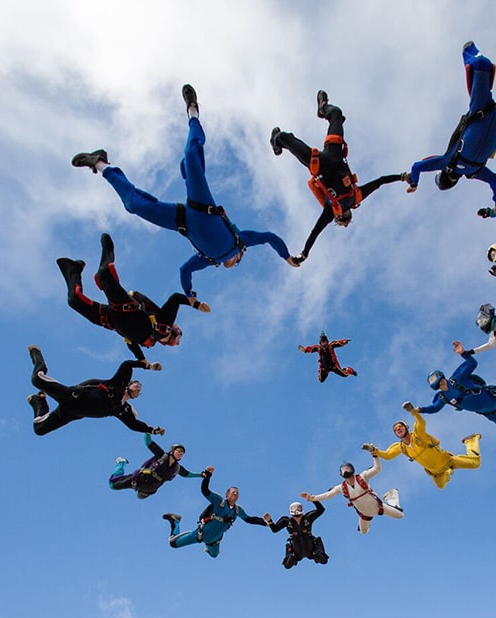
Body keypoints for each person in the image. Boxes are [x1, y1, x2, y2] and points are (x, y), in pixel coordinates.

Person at [72, 84, 299, 299]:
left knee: (135, 205)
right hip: (203, 206)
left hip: (183, 221)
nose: (233, 263)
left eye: (232, 265)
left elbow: (184, 271)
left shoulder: (208, 259)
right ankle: (193, 113)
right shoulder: (241, 241)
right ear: (240, 255)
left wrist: (190, 296)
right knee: (191, 155)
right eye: (237, 262)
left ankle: (100, 164)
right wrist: (287, 257)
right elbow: (269, 237)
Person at [270, 90, 406, 264]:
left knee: (283, 137)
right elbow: (380, 182)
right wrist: (402, 177)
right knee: (335, 113)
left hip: (318, 164)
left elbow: (315, 231)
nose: (346, 221)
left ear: (339, 217)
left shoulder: (332, 210)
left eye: (342, 222)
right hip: (334, 155)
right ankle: (323, 109)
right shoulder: (355, 197)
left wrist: (304, 254)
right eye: (346, 222)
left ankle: (276, 142)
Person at [405, 37, 496, 212]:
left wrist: (414, 182)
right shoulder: (475, 172)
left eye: (444, 181)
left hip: (480, 112)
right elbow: (495, 181)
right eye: (448, 183)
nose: (449, 181)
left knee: (481, 64)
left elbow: (418, 166)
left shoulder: (446, 162)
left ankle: (468, 51)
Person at [57, 233, 211, 364]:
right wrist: (194, 303)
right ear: (176, 331)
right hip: (124, 307)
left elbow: (131, 344)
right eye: (180, 339)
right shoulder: (165, 323)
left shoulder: (149, 343)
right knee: (104, 274)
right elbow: (175, 298)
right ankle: (108, 250)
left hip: (109, 318)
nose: (178, 344)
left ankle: (73, 269)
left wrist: (142, 361)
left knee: (74, 300)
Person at [25, 345, 163, 436]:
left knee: (39, 429)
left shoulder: (123, 410)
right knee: (36, 379)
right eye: (137, 384)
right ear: (129, 384)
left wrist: (151, 430)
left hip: (71, 413)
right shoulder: (116, 385)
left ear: (137, 396)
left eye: (140, 389)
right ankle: (36, 353)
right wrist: (147, 366)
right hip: (72, 396)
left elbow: (134, 425)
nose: (138, 387)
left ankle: (39, 400)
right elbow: (127, 365)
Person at [363, 403, 481, 490]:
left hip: (448, 461)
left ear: (406, 428)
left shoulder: (418, 435)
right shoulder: (401, 447)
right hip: (435, 471)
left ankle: (470, 441)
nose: (398, 429)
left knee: (475, 463)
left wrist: (413, 412)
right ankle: (449, 472)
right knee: (440, 486)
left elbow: (421, 423)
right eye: (395, 430)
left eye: (400, 426)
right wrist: (374, 450)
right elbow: (387, 455)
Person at [415, 341, 496, 426]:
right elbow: (434, 408)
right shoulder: (442, 397)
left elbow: (472, 364)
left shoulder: (456, 378)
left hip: (494, 396)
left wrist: (463, 353)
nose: (434, 381)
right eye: (431, 381)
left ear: (440, 375)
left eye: (434, 377)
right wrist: (419, 410)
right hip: (489, 412)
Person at [161, 468, 268, 558]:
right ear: (227, 495)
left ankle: (208, 548)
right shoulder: (219, 501)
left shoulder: (237, 510)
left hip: (214, 541)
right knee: (173, 544)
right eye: (233, 492)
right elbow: (205, 490)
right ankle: (175, 521)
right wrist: (208, 475)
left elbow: (249, 519)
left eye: (237, 493)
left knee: (214, 555)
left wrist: (265, 523)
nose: (235, 493)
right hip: (200, 535)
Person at [300, 452, 403, 535]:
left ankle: (391, 495)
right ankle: (363, 524)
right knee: (363, 532)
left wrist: (374, 454)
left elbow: (377, 469)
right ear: (340, 474)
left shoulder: (362, 477)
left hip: (378, 506)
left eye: (348, 468)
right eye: (343, 470)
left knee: (400, 515)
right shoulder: (341, 488)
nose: (346, 471)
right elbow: (327, 495)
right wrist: (312, 498)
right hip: (365, 514)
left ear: (353, 469)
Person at [108, 432, 202, 499]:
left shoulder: (176, 468)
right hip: (139, 480)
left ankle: (141, 493)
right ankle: (122, 462)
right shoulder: (161, 455)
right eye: (179, 451)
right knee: (112, 485)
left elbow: (187, 474)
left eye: (182, 453)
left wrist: (201, 474)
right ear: (172, 451)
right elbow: (148, 442)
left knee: (141, 497)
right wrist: (149, 431)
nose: (181, 454)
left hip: (149, 489)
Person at [264, 500, 329, 569]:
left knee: (324, 561)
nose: (296, 510)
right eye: (294, 508)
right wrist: (270, 521)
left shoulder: (308, 518)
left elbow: (321, 510)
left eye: (298, 508)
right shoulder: (287, 521)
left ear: (302, 509)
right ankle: (291, 555)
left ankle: (317, 551)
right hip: (297, 551)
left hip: (310, 549)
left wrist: (313, 499)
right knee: (287, 566)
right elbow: (275, 529)